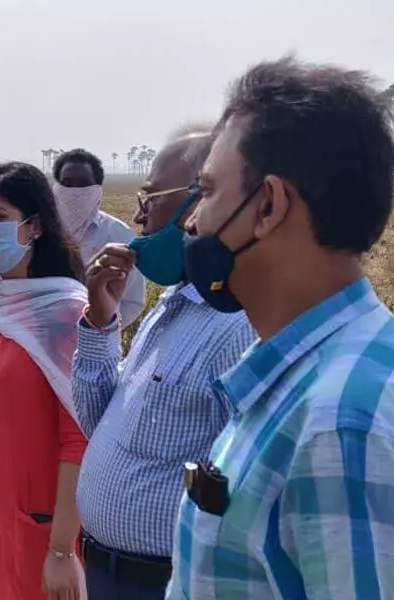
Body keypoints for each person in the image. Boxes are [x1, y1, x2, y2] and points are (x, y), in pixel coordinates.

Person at [169, 57, 394, 599]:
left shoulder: (340, 425)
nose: (192, 221)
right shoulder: (321, 376)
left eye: (207, 191)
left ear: (267, 205)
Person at [72, 128, 257, 599]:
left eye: (150, 197)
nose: (137, 215)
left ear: (199, 201)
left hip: (166, 581)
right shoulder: (172, 305)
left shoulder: (240, 328)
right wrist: (100, 318)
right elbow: (98, 422)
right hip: (107, 568)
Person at [0, 162, 88, 599]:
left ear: (35, 226)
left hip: (34, 522)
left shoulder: (65, 314)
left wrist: (61, 549)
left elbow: (78, 439)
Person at [52, 148, 145, 326]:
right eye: (67, 183)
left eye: (83, 184)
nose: (75, 191)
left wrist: (100, 329)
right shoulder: (40, 231)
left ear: (97, 190)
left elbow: (132, 301)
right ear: (57, 188)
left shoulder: (119, 234)